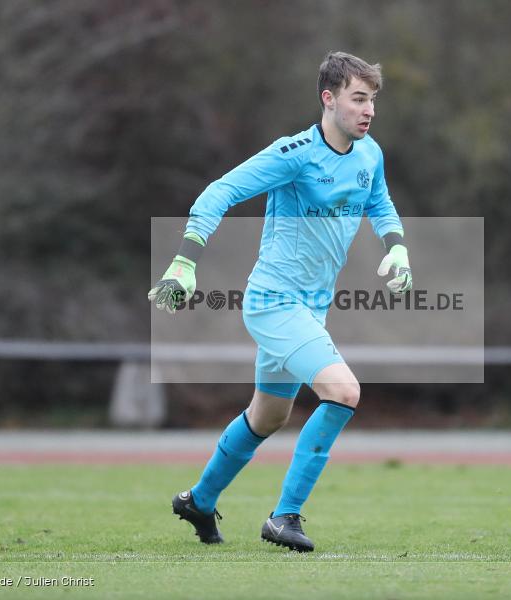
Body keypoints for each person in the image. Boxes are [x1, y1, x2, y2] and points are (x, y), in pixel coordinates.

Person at [148, 51, 412, 552]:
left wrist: (396, 246)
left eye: (372, 100)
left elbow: (379, 199)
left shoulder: (369, 153)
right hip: (274, 302)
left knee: (267, 417)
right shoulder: (294, 153)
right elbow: (218, 192)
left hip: (311, 309)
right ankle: (284, 517)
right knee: (344, 390)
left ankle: (199, 500)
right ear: (328, 100)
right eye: (359, 99)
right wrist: (185, 261)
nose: (369, 110)